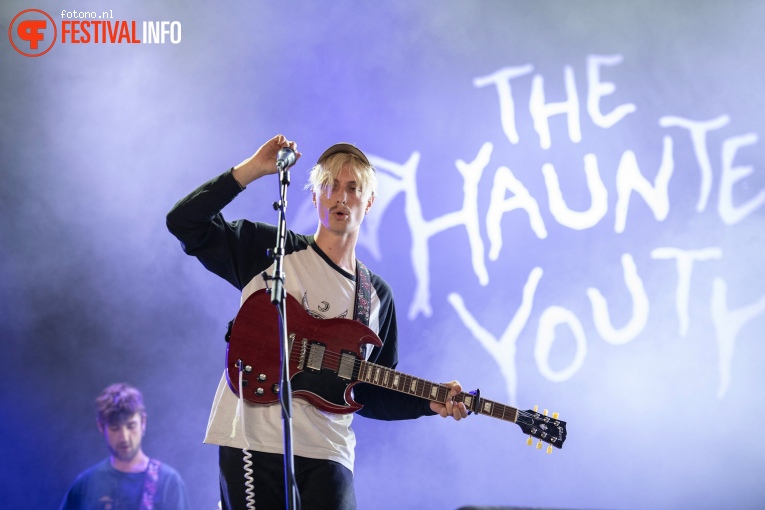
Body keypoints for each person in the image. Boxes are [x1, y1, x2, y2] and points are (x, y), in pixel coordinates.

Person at [166, 134, 468, 510]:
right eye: (330, 186)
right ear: (315, 196)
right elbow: (184, 222)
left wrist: (429, 402)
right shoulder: (271, 249)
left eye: (353, 188)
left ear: (369, 201)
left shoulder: (375, 295)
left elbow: (369, 391)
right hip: (252, 440)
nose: (341, 197)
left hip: (328, 451)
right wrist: (254, 169)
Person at [59, 383, 190, 510]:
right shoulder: (85, 485)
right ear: (100, 426)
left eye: (131, 426)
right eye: (115, 428)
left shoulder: (167, 482)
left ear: (143, 422)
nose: (124, 438)